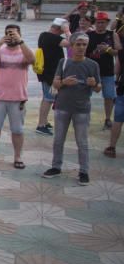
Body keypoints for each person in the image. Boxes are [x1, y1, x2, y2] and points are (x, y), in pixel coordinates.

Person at [44, 33, 101, 185]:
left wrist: (93, 84)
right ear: (72, 46)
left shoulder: (93, 65)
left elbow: (98, 88)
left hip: (82, 108)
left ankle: (84, 171)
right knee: (58, 140)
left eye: (84, 45)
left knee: (82, 142)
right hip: (62, 106)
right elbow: (55, 84)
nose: (81, 47)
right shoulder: (64, 62)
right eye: (78, 44)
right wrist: (63, 82)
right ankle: (56, 167)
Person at [0, 25, 34, 169]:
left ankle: (18, 156)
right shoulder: (0, 50)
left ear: (20, 34)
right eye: (8, 34)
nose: (11, 36)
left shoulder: (24, 50)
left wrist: (21, 42)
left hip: (18, 97)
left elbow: (32, 60)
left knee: (17, 130)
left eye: (14, 33)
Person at [87, 11, 122, 129]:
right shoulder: (89, 34)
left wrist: (107, 49)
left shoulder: (112, 34)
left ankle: (107, 118)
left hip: (107, 70)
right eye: (98, 22)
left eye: (103, 22)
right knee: (85, 94)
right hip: (91, 71)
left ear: (107, 23)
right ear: (95, 23)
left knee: (109, 96)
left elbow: (119, 52)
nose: (100, 25)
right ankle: (83, 115)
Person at [36, 18, 70, 135]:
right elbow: (72, 44)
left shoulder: (44, 35)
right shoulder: (52, 37)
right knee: (48, 98)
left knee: (48, 98)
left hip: (49, 73)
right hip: (51, 74)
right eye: (61, 30)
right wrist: (67, 31)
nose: (62, 32)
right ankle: (41, 125)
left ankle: (44, 122)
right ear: (58, 29)